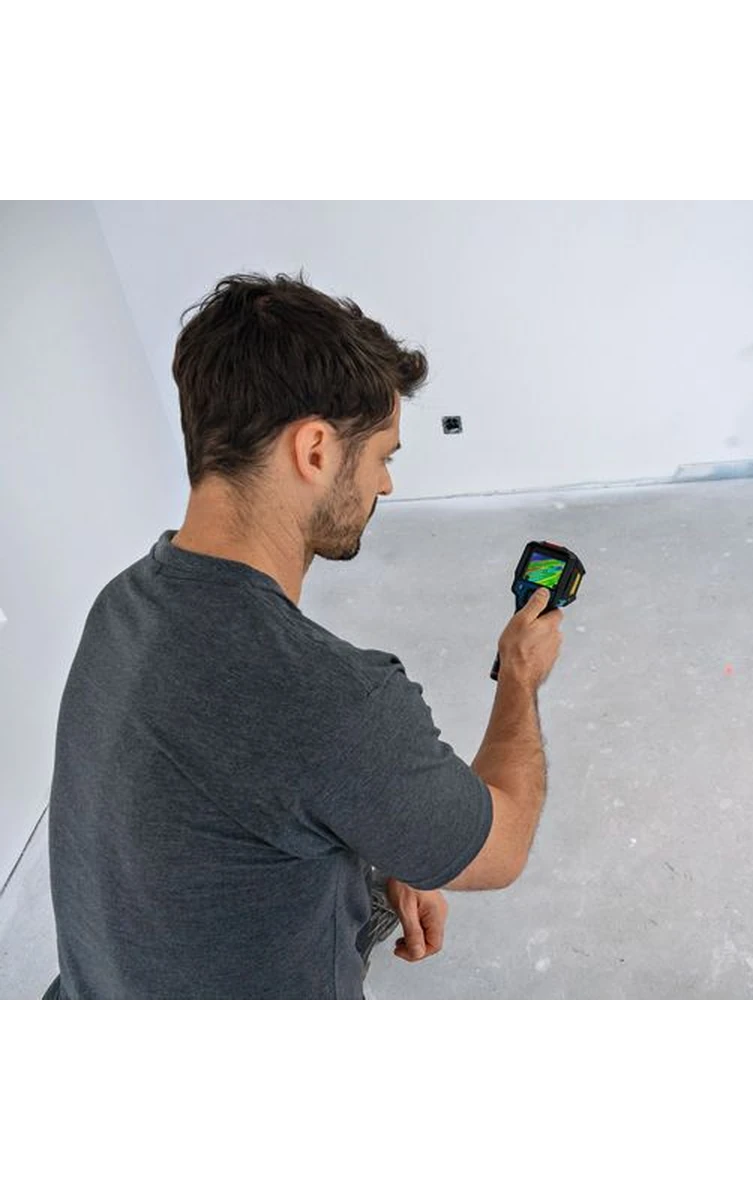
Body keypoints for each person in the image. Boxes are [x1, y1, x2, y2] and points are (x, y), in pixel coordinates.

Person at [42, 272, 563, 999]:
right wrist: (520, 675)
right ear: (315, 450)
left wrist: (394, 835)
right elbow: (501, 849)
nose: (385, 485)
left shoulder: (121, 604)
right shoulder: (335, 702)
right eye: (382, 455)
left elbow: (226, 801)